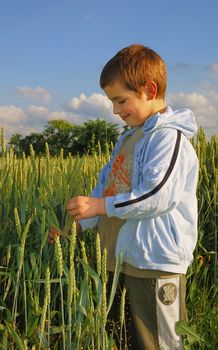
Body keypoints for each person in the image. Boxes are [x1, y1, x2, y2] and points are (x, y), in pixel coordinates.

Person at [49, 44, 199, 349]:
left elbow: (157, 194)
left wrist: (100, 205)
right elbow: (106, 191)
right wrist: (72, 230)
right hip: (119, 262)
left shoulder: (169, 138)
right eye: (112, 102)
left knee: (159, 342)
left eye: (121, 100)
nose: (116, 111)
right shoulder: (129, 139)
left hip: (153, 264)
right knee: (123, 339)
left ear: (149, 89)